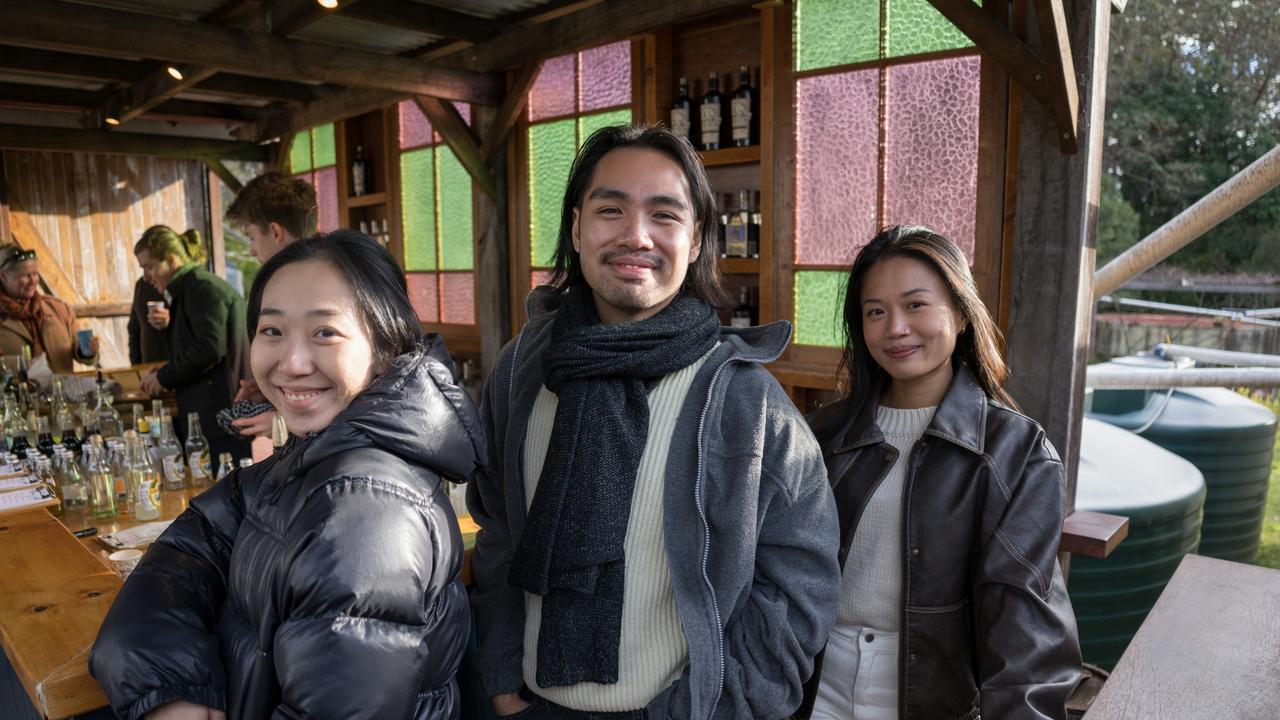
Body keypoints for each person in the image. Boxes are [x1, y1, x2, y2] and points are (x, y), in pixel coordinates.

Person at [468, 124, 840, 720]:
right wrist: (504, 680)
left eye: (664, 215)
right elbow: (498, 532)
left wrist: (718, 710)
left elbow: (798, 590)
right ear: (576, 227)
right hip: (531, 706)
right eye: (610, 209)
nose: (635, 235)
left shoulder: (748, 404)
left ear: (696, 240)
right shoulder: (525, 370)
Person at [90, 231, 486, 719]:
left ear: (386, 347)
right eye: (272, 331)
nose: (291, 363)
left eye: (325, 333)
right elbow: (193, 544)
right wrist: (169, 683)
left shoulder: (365, 512)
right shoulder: (312, 456)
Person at [800, 226, 1082, 720]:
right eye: (875, 312)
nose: (895, 329)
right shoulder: (822, 435)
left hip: (931, 692)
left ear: (959, 312)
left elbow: (1025, 631)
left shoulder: (1018, 453)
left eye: (915, 305)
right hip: (813, 683)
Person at [134, 226, 246, 461]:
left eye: (149, 267)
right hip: (212, 422)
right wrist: (163, 372)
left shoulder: (201, 288)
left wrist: (164, 377)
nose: (146, 276)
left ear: (171, 260)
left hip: (220, 423)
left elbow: (209, 348)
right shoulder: (190, 290)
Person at [224, 171, 317, 439]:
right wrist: (271, 387)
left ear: (275, 232)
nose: (252, 250)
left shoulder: (327, 287)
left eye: (251, 236)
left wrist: (283, 420)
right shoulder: (291, 283)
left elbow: (362, 391)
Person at [0, 243, 99, 371]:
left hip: (62, 390)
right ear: (2, 276)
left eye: (35, 273)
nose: (33, 280)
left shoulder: (59, 309)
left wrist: (87, 350)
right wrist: (20, 364)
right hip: (19, 391)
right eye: (25, 275)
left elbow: (79, 352)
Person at [127, 277, 168, 364]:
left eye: (149, 267)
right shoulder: (142, 285)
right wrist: (136, 366)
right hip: (148, 367)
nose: (145, 276)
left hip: (180, 369)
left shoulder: (188, 284)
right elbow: (134, 329)